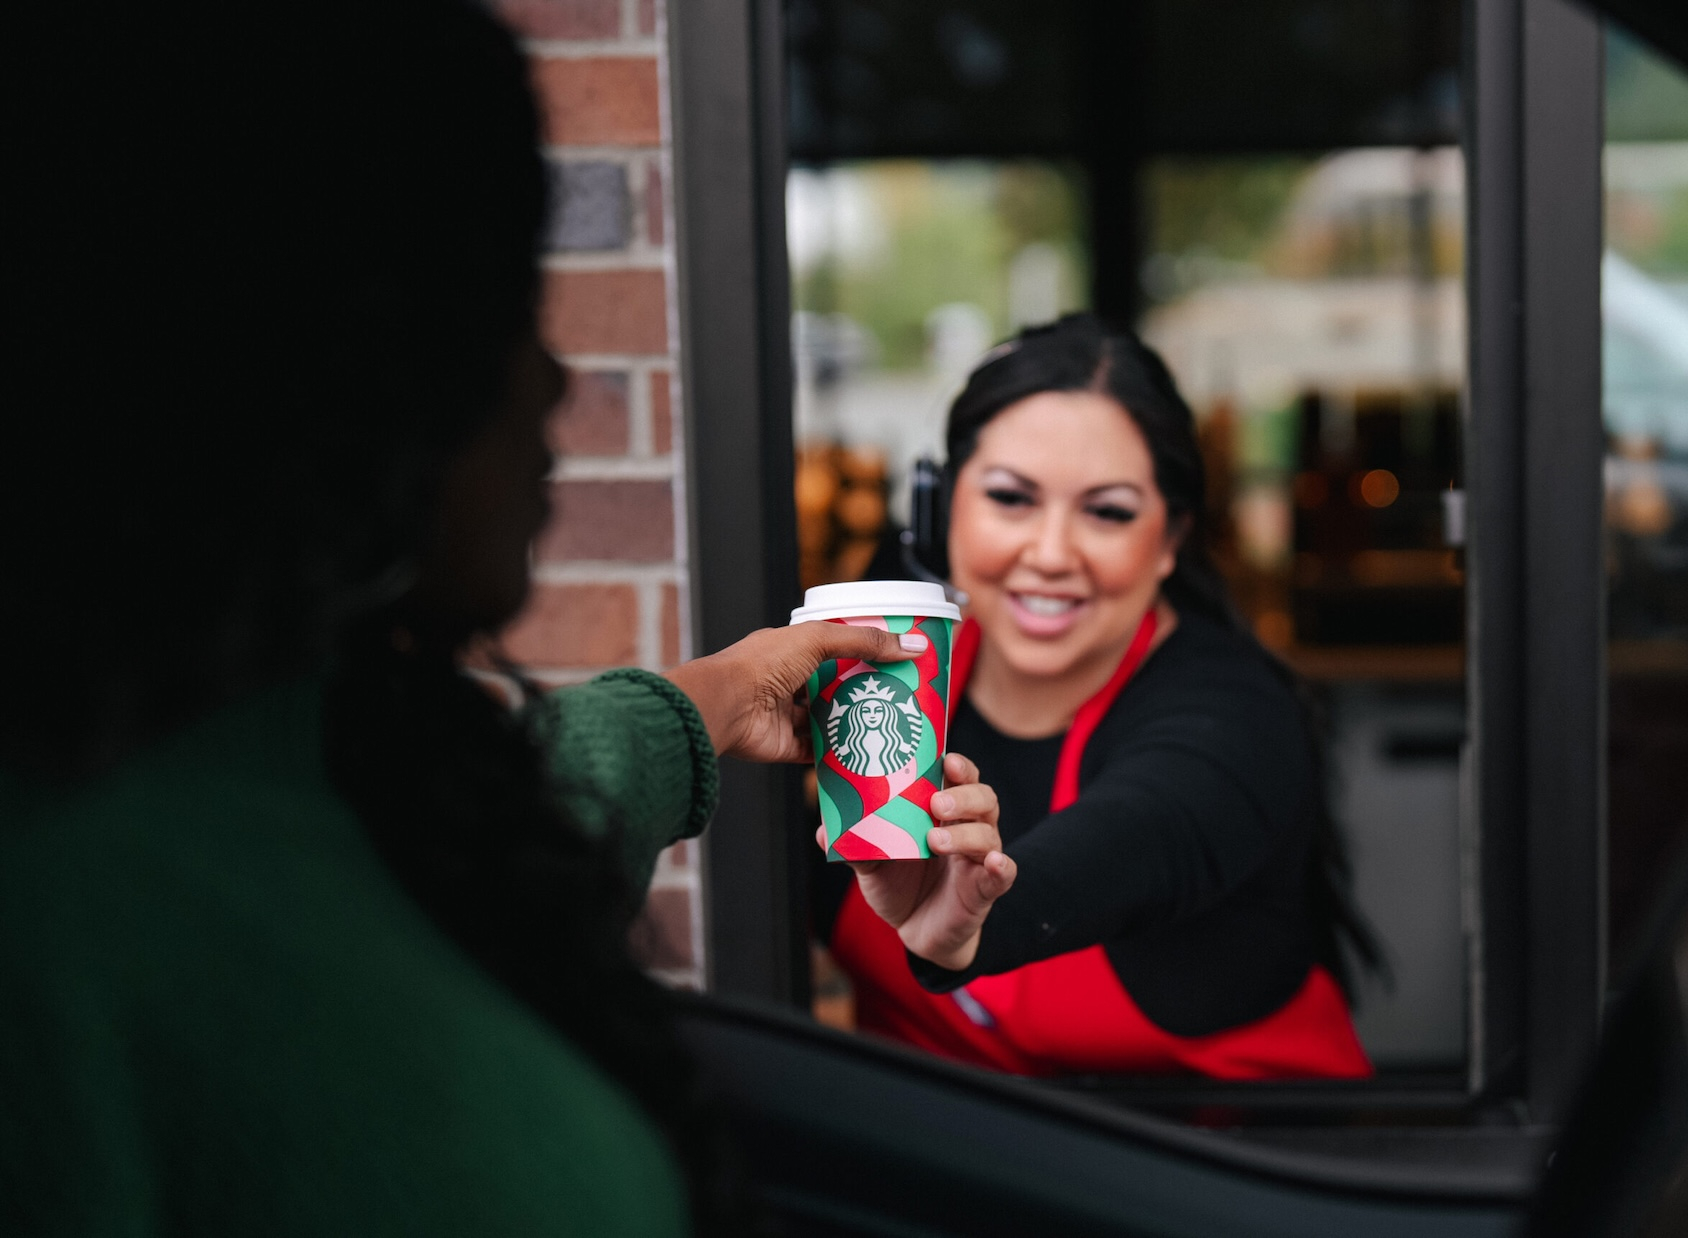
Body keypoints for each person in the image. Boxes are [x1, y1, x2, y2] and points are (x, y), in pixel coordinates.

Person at [1, 3, 1009, 1235]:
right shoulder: (69, 922)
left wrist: (718, 700)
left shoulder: (344, 762)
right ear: (318, 360)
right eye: (501, 307)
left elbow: (540, 794)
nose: (553, 377)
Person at [821, 314, 1380, 1079]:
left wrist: (969, 920)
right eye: (1011, 499)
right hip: (917, 1172)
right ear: (944, 511)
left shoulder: (1235, 716)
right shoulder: (883, 665)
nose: (1051, 554)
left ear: (1171, 540)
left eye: (1108, 511)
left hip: (1216, 1182)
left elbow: (1136, 838)